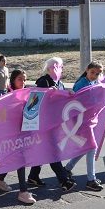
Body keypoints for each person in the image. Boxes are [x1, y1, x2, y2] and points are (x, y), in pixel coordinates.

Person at [27, 57, 77, 191]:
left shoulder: (59, 83)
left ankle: (33, 176)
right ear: (49, 68)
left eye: (61, 66)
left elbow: (62, 98)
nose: (60, 69)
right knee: (52, 152)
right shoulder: (43, 82)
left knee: (44, 150)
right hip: (43, 124)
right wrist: (48, 93)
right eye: (57, 66)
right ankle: (64, 180)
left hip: (54, 123)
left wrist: (69, 93)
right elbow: (33, 102)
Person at [0, 69, 36, 204]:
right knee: (20, 160)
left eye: (24, 79)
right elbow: (0, 114)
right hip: (10, 134)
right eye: (19, 79)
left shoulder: (27, 94)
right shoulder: (8, 96)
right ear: (13, 80)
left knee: (12, 159)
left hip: (22, 132)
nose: (23, 82)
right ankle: (23, 191)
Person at [64, 62, 105, 190]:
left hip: (89, 120)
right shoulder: (81, 83)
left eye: (97, 74)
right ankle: (90, 180)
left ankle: (67, 169)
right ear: (87, 70)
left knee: (86, 148)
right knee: (92, 147)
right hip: (82, 121)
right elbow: (73, 102)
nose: (94, 75)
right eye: (92, 72)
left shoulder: (94, 82)